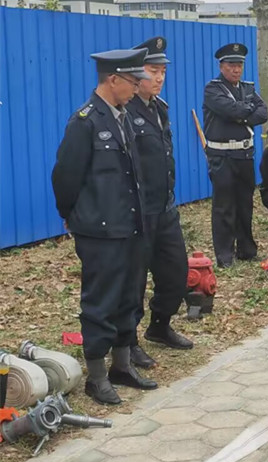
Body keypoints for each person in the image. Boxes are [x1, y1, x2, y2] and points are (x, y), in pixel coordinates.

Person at [52, 49, 158, 405]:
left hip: (129, 225)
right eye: (132, 81)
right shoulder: (84, 122)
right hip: (100, 230)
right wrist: (71, 215)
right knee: (101, 301)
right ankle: (97, 378)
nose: (137, 87)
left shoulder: (122, 117)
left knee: (128, 296)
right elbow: (65, 177)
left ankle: (122, 366)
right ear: (112, 80)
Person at [124, 37, 193, 369]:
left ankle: (159, 326)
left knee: (176, 272)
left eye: (163, 71)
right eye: (154, 71)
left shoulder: (159, 107)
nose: (160, 77)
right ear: (136, 74)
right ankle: (129, 342)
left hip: (165, 208)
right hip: (138, 212)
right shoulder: (125, 111)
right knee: (134, 280)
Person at [203, 43, 268, 267]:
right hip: (221, 155)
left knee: (245, 204)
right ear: (221, 66)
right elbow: (230, 110)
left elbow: (263, 113)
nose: (236, 69)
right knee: (224, 207)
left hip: (244, 154)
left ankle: (246, 250)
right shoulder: (213, 89)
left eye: (239, 65)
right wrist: (246, 110)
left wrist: (242, 112)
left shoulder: (248, 88)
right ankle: (225, 256)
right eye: (231, 65)